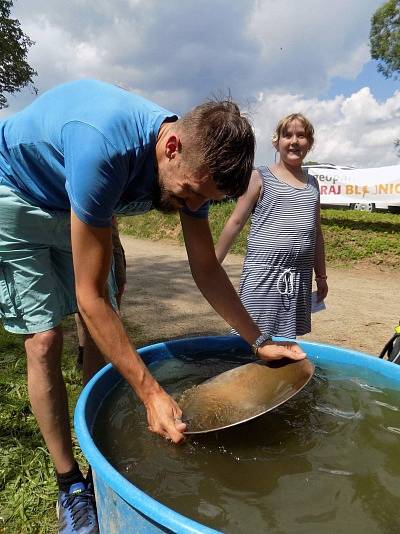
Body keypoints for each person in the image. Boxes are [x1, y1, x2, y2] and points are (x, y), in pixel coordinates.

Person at [0, 80, 306, 533]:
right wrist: (151, 393)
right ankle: (70, 486)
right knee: (45, 340)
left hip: (79, 204)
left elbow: (205, 268)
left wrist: (258, 340)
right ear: (171, 146)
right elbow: (91, 297)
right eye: (189, 194)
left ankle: (96, 456)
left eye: (206, 202)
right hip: (18, 193)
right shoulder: (104, 148)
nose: (194, 207)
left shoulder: (193, 170)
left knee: (101, 334)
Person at [216, 113, 328, 339]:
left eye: (301, 135)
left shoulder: (313, 184)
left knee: (285, 342)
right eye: (287, 135)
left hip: (299, 278)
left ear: (310, 143)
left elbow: (316, 233)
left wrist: (321, 277)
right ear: (276, 142)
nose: (294, 141)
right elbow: (236, 221)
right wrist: (211, 262)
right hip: (264, 275)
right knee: (251, 338)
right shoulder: (259, 177)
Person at [75, 216, 126, 368]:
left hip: (109, 224)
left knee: (118, 284)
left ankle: (104, 346)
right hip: (80, 222)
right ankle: (86, 350)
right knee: (91, 293)